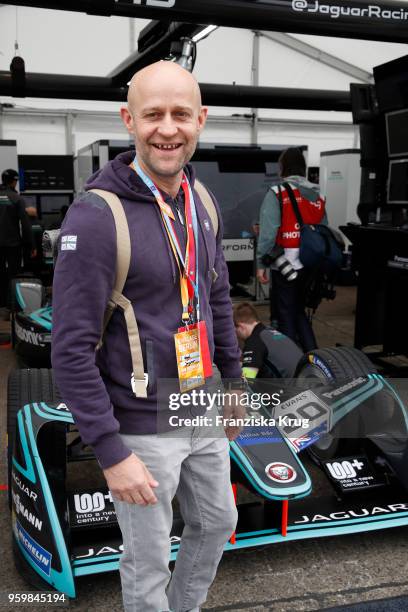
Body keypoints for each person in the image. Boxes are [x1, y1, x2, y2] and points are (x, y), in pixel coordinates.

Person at [51, 61, 243, 612]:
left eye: (180, 114)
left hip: (200, 406)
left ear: (201, 120)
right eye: (152, 115)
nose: (167, 128)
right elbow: (69, 350)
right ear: (128, 120)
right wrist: (111, 452)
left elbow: (217, 302)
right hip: (140, 424)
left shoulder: (200, 203)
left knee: (217, 522)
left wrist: (231, 383)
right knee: (148, 557)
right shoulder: (93, 218)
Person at [256, 148, 327, 352]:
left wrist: (261, 264)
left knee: (284, 315)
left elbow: (269, 233)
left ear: (282, 168)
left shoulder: (277, 192)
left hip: (286, 265)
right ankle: (314, 357)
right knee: (298, 311)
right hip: (312, 264)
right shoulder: (317, 194)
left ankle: (290, 366)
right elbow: (324, 230)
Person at [234, 302, 303, 380]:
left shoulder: (254, 342)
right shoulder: (269, 332)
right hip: (306, 378)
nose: (236, 335)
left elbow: (245, 382)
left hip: (291, 389)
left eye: (235, 331)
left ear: (241, 326)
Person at [0, 168, 35, 311]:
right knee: (13, 274)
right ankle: (11, 306)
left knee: (0, 273)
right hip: (13, 244)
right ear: (14, 182)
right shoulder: (17, 199)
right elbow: (26, 224)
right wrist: (32, 245)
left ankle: (1, 303)